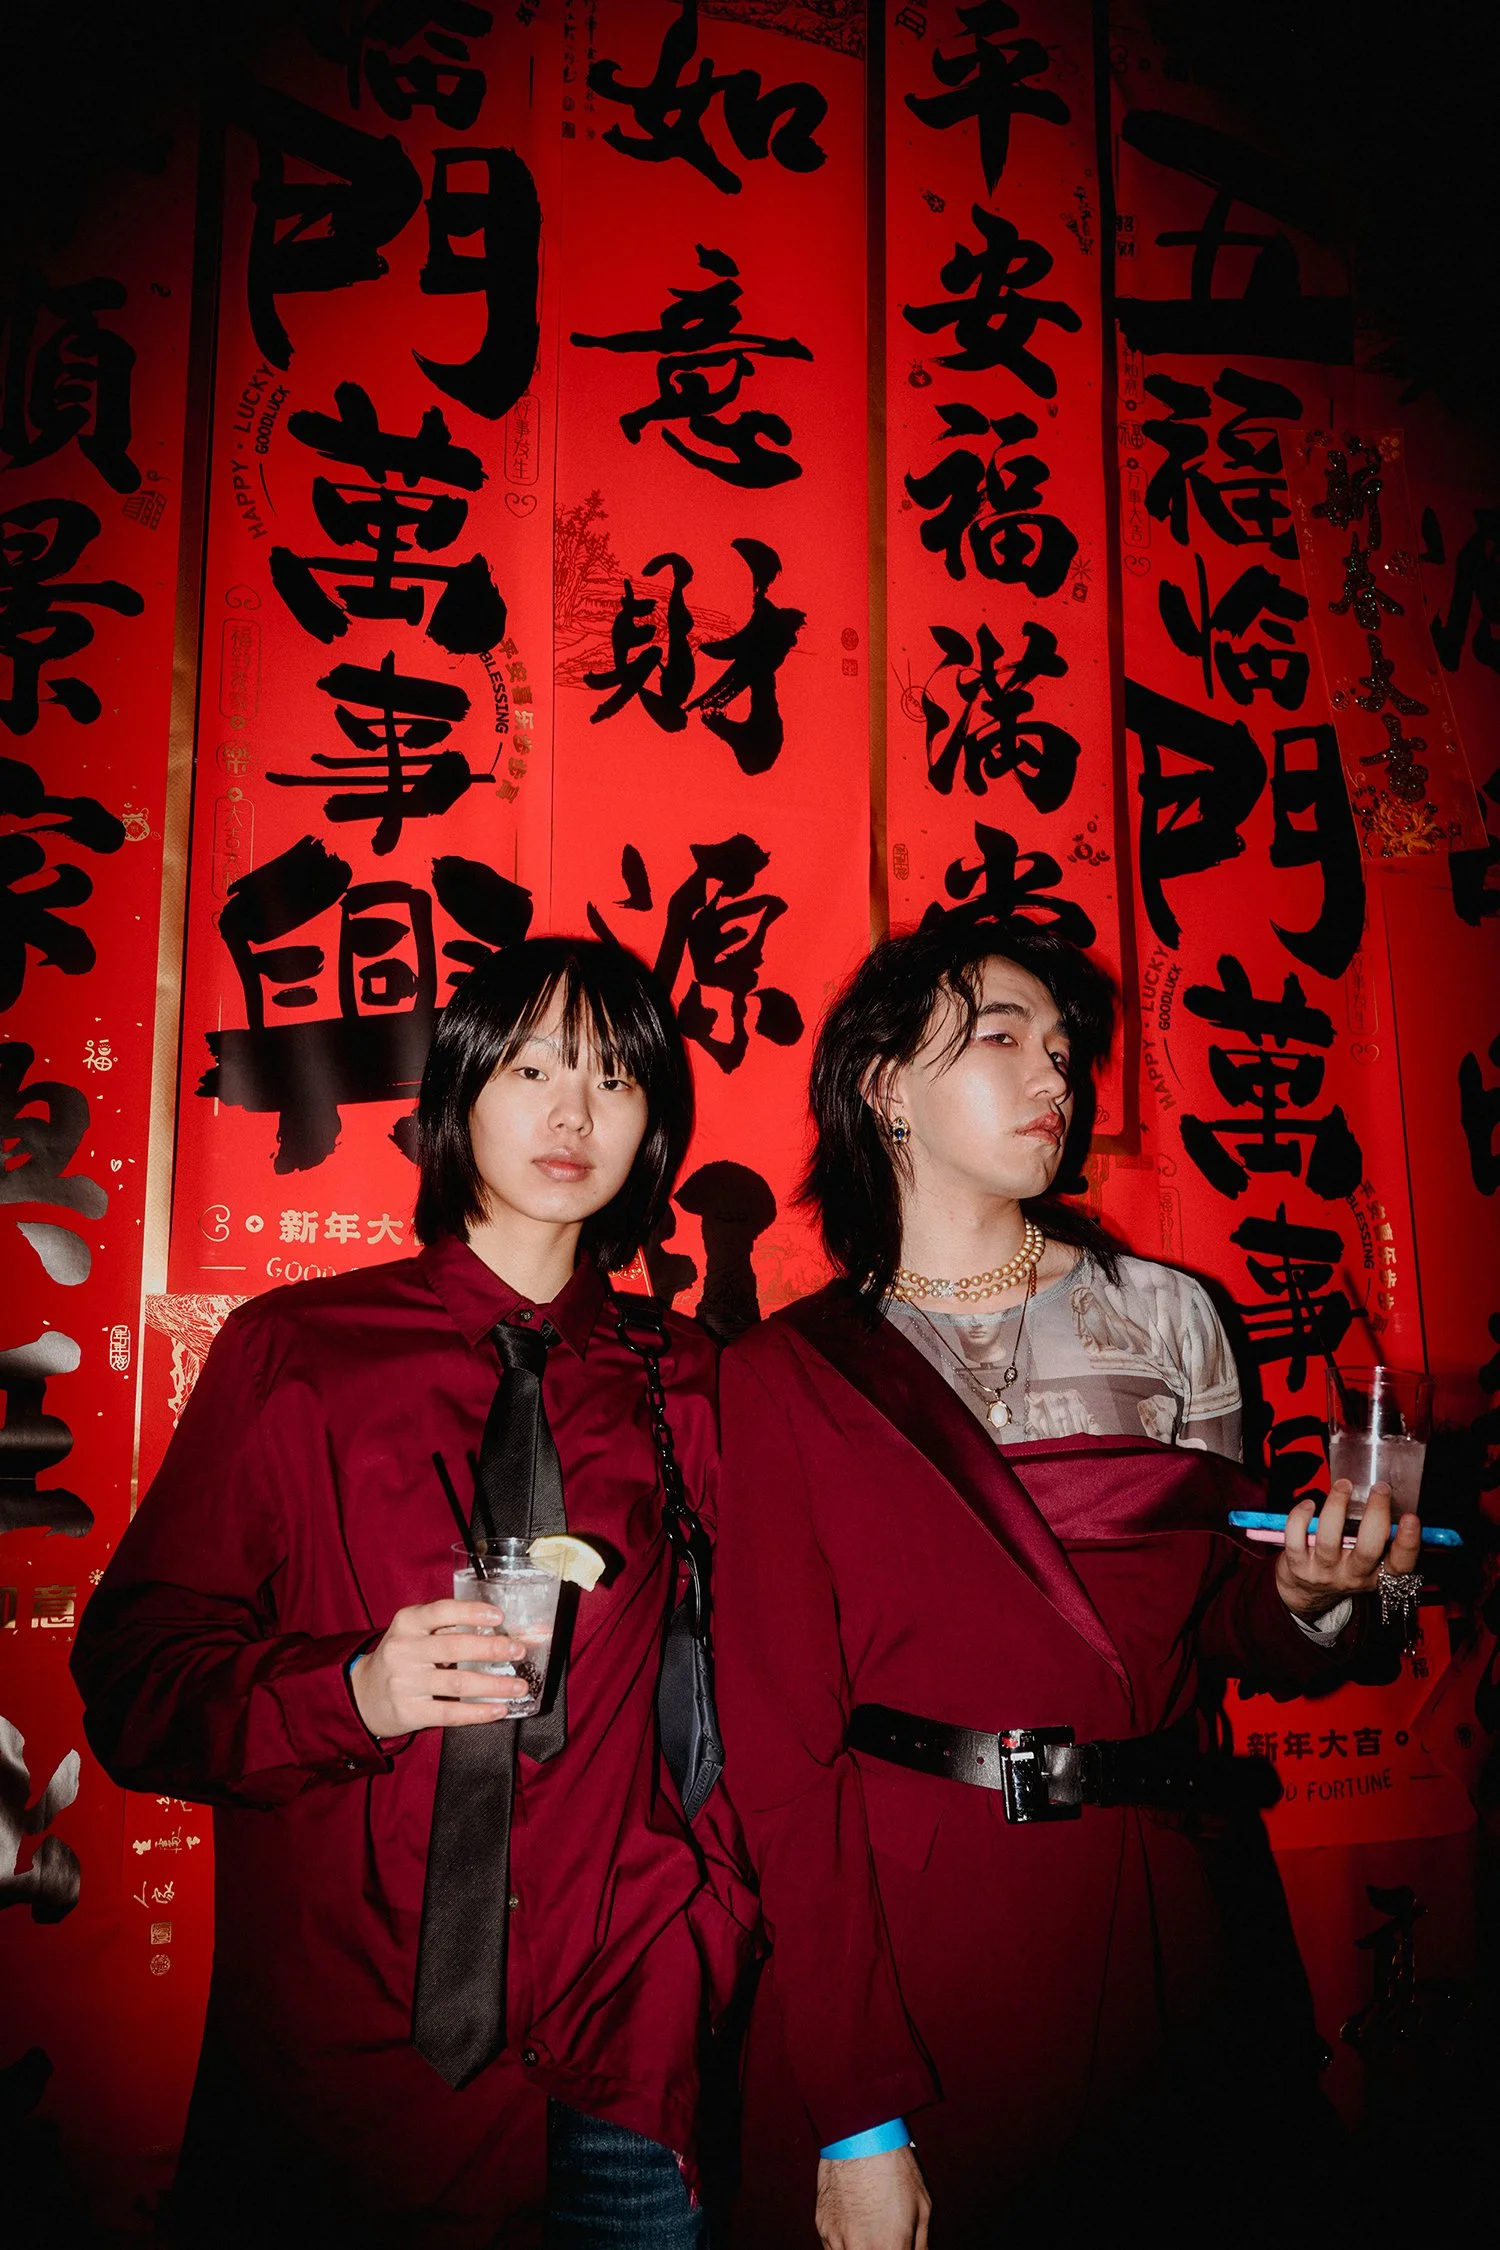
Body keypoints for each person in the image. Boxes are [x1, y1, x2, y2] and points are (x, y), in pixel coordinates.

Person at [715, 919, 1420, 2250]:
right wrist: (859, 2115)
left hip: (1169, 1913)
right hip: (927, 1940)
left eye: (1064, 1048)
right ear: (882, 1084)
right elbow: (781, 1765)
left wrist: (1317, 1592)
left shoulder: (1172, 1317)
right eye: (1000, 1038)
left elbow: (1217, 1615)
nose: (1054, 1074)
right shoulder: (783, 1375)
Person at [72, 938, 756, 2250]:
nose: (572, 1111)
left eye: (615, 1079)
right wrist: (351, 1692)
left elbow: (770, 1675)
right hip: (355, 2073)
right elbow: (134, 1678)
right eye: (536, 1065)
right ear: (458, 1093)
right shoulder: (299, 1355)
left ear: (653, 1124)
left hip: (630, 2057)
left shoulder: (693, 1380)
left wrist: (709, 1922)